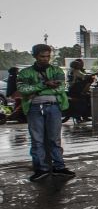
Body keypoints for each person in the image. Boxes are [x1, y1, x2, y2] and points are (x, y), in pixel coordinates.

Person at [17, 44, 76, 181]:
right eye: (42, 56)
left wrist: (36, 90)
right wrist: (44, 85)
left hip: (54, 106)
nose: (45, 59)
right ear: (35, 56)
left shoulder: (56, 70)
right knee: (37, 140)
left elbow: (61, 88)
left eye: (48, 56)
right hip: (34, 108)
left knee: (55, 139)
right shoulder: (25, 73)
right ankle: (41, 168)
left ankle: (59, 167)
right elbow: (23, 90)